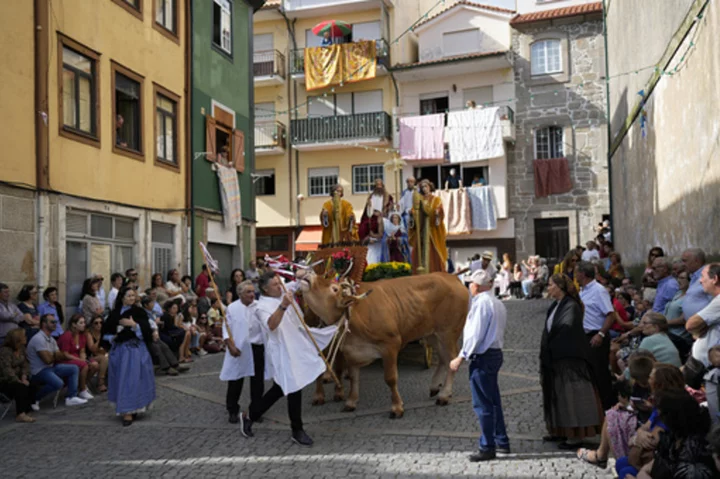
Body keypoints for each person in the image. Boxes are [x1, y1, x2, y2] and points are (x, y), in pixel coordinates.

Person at [240, 272, 337, 447]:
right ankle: (297, 430)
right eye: (275, 285)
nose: (280, 286)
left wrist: (303, 274)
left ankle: (250, 415)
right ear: (265, 288)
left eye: (280, 283)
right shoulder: (260, 307)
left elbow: (300, 283)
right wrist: (283, 306)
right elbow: (271, 324)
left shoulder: (283, 290)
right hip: (281, 351)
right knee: (294, 385)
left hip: (296, 345)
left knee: (280, 389)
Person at [450, 269, 509, 462]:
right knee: (493, 400)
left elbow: (475, 335)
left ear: (475, 286)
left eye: (470, 284)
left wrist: (461, 356)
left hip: (482, 356)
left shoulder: (481, 304)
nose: (469, 287)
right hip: (495, 353)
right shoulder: (497, 303)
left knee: (483, 403)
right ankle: (501, 440)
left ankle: (487, 446)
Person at [540, 274, 602, 448]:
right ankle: (560, 431)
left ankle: (575, 435)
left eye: (551, 284)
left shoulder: (571, 306)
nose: (548, 287)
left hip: (570, 359)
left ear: (560, 286)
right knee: (558, 396)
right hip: (556, 358)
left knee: (572, 397)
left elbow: (566, 329)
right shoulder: (555, 305)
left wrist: (552, 344)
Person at [633, 390, 717, 479]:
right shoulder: (674, 437)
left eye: (662, 416)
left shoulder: (694, 453)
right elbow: (654, 464)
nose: (660, 419)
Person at [103, 287, 156, 426]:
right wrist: (112, 337)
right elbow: (106, 331)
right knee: (122, 380)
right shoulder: (114, 314)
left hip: (135, 351)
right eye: (129, 295)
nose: (132, 298)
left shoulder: (139, 312)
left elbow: (147, 331)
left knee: (133, 380)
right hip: (119, 351)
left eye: (134, 295)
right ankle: (127, 408)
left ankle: (129, 411)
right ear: (122, 297)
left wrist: (134, 325)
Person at [576, 260, 617, 410]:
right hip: (585, 336)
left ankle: (608, 407)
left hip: (596, 335)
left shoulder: (599, 290)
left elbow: (610, 314)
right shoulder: (582, 290)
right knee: (589, 373)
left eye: (576, 272)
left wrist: (601, 334)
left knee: (600, 373)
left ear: (582, 274)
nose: (575, 275)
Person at [222, 281, 262, 424]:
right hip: (238, 348)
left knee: (257, 382)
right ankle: (232, 409)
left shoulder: (259, 307)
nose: (252, 294)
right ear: (240, 294)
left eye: (253, 291)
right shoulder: (232, 308)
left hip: (256, 346)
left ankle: (256, 410)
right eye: (248, 292)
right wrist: (229, 345)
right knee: (235, 380)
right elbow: (226, 327)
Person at [26, 314, 87, 408]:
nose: (55, 324)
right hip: (39, 370)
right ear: (43, 324)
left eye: (55, 322)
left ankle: (71, 397)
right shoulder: (38, 339)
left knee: (74, 368)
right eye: (52, 322)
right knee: (58, 383)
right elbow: (47, 360)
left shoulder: (51, 339)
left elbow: (59, 355)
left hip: (50, 367)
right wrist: (54, 355)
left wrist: (52, 355)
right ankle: (34, 398)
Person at [408, 179, 447, 274]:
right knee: (419, 252)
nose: (424, 189)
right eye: (422, 187)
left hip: (432, 230)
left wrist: (438, 212)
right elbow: (415, 211)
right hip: (421, 230)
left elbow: (440, 210)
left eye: (426, 186)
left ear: (430, 187)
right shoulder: (418, 199)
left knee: (435, 253)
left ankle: (436, 272)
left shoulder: (436, 199)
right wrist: (412, 214)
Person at [686, 264, 720, 369]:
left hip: (711, 368)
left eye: (703, 276)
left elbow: (690, 325)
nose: (700, 281)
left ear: (714, 279)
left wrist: (699, 328)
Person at [57, 314, 98, 400]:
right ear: (74, 324)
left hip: (76, 358)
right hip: (65, 360)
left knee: (94, 365)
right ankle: (82, 390)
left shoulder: (82, 335)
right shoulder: (67, 336)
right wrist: (80, 360)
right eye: (81, 323)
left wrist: (83, 357)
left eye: (84, 322)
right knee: (84, 365)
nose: (84, 324)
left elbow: (82, 350)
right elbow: (65, 354)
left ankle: (81, 385)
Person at [0, 328, 36, 422]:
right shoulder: (5, 351)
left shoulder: (22, 348)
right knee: (20, 387)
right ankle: (20, 414)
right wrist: (18, 380)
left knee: (32, 383)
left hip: (19, 376)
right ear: (17, 339)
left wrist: (24, 376)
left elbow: (25, 364)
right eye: (23, 336)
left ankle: (28, 408)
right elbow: (6, 370)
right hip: (6, 380)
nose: (26, 337)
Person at [663, 269, 693, 360]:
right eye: (678, 278)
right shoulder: (678, 293)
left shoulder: (690, 296)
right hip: (668, 332)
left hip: (679, 336)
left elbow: (684, 319)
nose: (679, 280)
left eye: (682, 278)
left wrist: (664, 322)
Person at [85, 315, 109, 392]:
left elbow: (106, 348)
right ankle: (100, 383)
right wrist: (101, 338)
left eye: (101, 323)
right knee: (104, 359)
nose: (99, 325)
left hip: (101, 355)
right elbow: (93, 349)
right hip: (90, 357)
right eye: (96, 323)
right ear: (92, 324)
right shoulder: (89, 334)